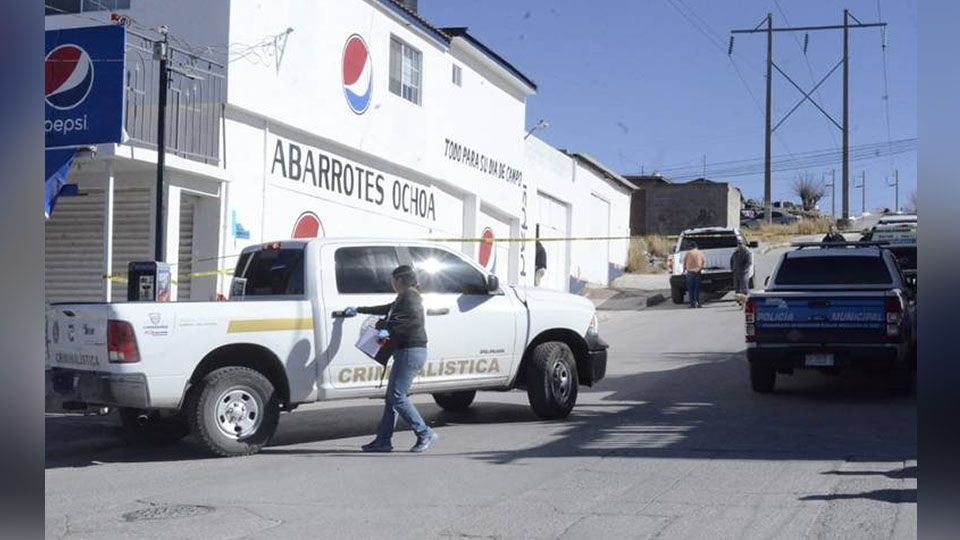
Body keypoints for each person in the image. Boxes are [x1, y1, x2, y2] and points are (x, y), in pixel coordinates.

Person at [344, 265, 437, 453]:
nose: (391, 283)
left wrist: (387, 329)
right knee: (391, 398)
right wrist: (359, 310)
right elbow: (388, 309)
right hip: (406, 351)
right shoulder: (405, 296)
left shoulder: (410, 297)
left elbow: (407, 322)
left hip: (410, 352)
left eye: (392, 279)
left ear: (399, 280)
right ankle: (383, 441)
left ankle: (424, 432)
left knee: (397, 396)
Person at [730, 239, 753, 308]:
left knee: (744, 288)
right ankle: (740, 302)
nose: (739, 245)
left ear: (744, 244)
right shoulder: (735, 253)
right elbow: (732, 260)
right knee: (737, 288)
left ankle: (747, 302)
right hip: (736, 272)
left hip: (743, 273)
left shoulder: (747, 253)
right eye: (738, 244)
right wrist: (732, 268)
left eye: (741, 244)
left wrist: (744, 269)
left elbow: (749, 262)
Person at [683, 241, 707, 308]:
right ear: (696, 246)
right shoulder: (700, 253)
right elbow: (704, 261)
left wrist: (684, 269)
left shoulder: (688, 253)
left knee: (691, 289)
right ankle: (698, 303)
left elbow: (684, 262)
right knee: (697, 288)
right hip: (697, 272)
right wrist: (701, 268)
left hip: (690, 272)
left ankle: (692, 304)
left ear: (690, 247)